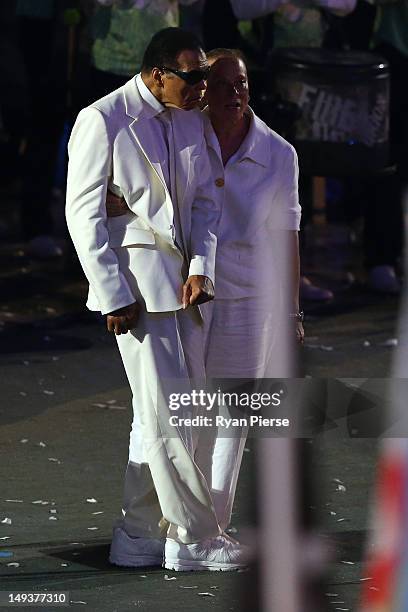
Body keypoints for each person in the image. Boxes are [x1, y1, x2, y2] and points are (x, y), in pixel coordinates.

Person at [66, 27, 247, 571]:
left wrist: (201, 267)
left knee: (165, 416)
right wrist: (112, 293)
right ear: (156, 75)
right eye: (191, 77)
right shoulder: (102, 119)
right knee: (171, 413)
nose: (201, 86)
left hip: (187, 291)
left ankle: (139, 532)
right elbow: (83, 215)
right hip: (137, 291)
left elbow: (207, 204)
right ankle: (194, 537)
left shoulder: (192, 116)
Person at [106, 47, 303, 531]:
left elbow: (287, 239)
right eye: (219, 84)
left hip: (250, 300)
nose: (232, 94)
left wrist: (291, 312)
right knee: (168, 411)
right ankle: (146, 528)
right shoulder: (175, 133)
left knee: (230, 419)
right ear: (198, 89)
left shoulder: (279, 153)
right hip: (181, 296)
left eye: (241, 84)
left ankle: (207, 529)